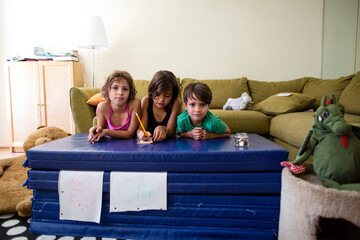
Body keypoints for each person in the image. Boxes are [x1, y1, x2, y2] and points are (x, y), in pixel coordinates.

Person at [88, 70, 141, 143]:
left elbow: (130, 134)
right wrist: (95, 130)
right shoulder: (102, 107)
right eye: (115, 88)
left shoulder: (135, 104)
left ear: (130, 92)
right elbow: (101, 130)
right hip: (111, 147)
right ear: (108, 90)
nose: (120, 93)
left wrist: (107, 131)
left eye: (125, 89)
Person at [136, 70, 181, 142]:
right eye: (157, 94)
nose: (161, 100)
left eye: (167, 96)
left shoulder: (176, 102)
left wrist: (164, 129)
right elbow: (141, 128)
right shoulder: (146, 101)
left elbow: (171, 132)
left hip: (168, 146)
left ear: (173, 96)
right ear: (152, 91)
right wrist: (140, 133)